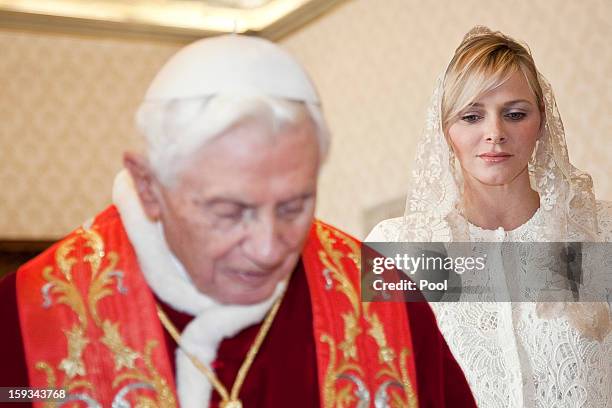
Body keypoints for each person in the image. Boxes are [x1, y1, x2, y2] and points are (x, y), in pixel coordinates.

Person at [0, 35, 476, 407]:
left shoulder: (388, 301)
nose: (269, 248)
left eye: (294, 206)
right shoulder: (24, 320)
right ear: (149, 188)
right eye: (229, 212)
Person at [367, 26, 612, 407]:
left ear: (541, 123)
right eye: (471, 116)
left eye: (515, 114)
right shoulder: (402, 249)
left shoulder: (599, 233)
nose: (495, 133)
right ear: (446, 128)